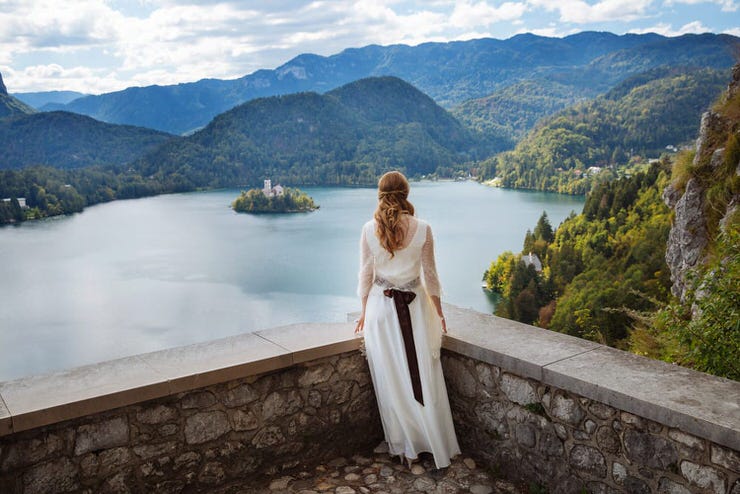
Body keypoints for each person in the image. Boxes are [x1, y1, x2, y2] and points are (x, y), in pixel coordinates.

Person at [355, 170, 461, 470]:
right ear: (406, 194)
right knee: (422, 374)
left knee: (391, 378)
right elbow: (431, 276)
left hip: (381, 311)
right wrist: (439, 312)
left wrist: (363, 312)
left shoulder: (367, 229)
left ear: (380, 194)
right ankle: (429, 441)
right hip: (414, 310)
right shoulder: (423, 228)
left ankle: (406, 447)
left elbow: (366, 277)